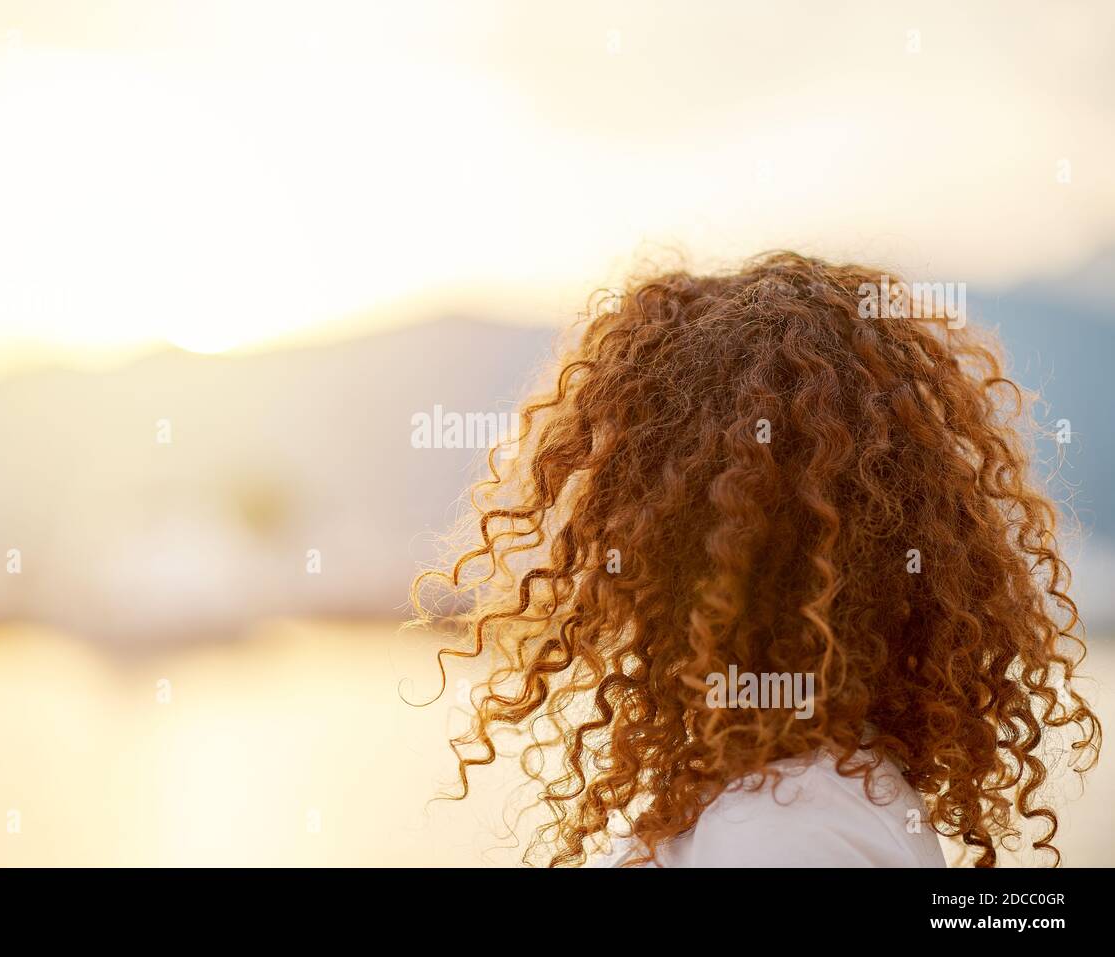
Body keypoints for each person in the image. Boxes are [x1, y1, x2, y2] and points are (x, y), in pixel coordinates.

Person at [410, 252, 1101, 867]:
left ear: (675, 543)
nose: (596, 545)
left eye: (619, 490)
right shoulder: (801, 792)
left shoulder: (783, 830)